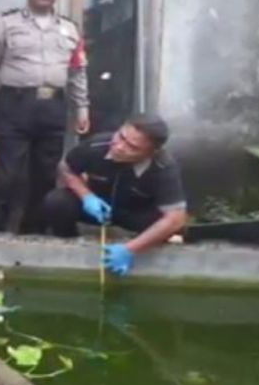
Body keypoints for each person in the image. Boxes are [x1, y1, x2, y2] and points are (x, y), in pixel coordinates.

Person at [0, 0, 90, 235]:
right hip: (14, 106)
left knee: (46, 176)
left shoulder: (70, 29)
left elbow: (78, 71)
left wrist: (82, 107)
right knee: (7, 176)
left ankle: (33, 233)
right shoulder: (6, 23)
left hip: (53, 108)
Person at [42, 114, 188, 275]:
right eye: (121, 137)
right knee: (57, 202)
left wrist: (130, 249)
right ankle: (68, 245)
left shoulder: (163, 167)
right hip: (97, 207)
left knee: (175, 227)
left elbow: (175, 217)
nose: (119, 146)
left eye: (132, 147)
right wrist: (86, 196)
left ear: (151, 152)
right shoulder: (97, 144)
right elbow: (66, 168)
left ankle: (144, 248)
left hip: (134, 213)